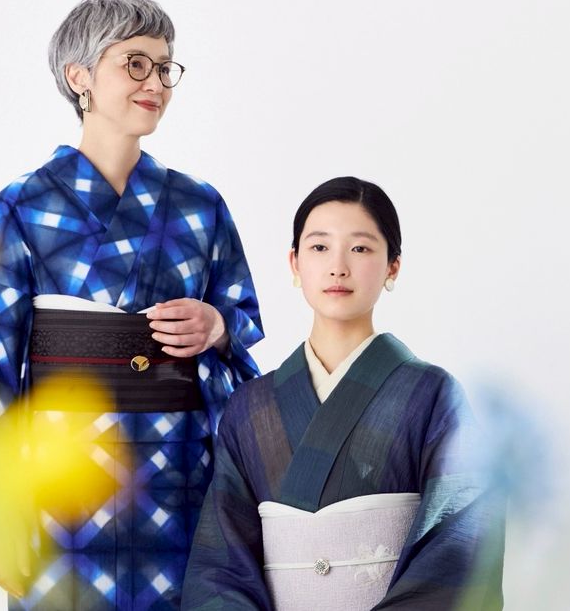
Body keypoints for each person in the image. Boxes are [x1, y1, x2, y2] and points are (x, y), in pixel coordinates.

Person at [0, 0, 263, 609]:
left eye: (165, 68)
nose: (155, 83)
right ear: (79, 76)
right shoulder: (24, 205)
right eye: (135, 64)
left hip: (179, 477)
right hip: (57, 479)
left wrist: (217, 326)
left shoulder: (201, 206)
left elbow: (239, 323)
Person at [182, 177, 504, 610]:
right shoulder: (250, 406)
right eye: (319, 247)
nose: (338, 267)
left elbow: (461, 543)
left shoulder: (433, 396)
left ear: (393, 266)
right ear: (295, 263)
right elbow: (219, 564)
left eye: (360, 248)